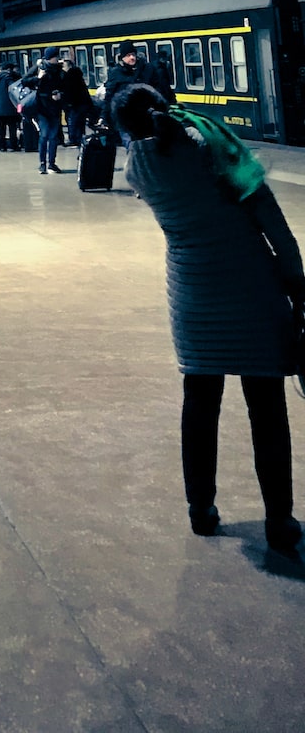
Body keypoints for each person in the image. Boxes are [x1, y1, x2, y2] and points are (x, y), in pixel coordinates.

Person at [114, 82, 304, 553]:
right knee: (267, 407)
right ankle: (279, 521)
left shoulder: (138, 167)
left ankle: (202, 512)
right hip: (252, 288)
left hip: (192, 292)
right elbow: (273, 225)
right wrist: (298, 287)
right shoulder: (217, 149)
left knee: (199, 403)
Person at [21, 48, 68, 175]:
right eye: (55, 57)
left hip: (55, 107)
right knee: (45, 135)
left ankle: (51, 163)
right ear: (49, 57)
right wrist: (38, 78)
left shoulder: (59, 70)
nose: (58, 59)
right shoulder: (39, 67)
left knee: (53, 137)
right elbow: (24, 81)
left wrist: (60, 94)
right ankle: (43, 163)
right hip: (41, 108)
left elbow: (64, 86)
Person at [103, 42, 161, 143]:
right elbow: (109, 97)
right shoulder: (115, 73)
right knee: (132, 146)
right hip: (124, 119)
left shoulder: (146, 70)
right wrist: (104, 117)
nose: (132, 58)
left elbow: (157, 90)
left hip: (145, 117)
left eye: (133, 54)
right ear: (122, 57)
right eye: (128, 55)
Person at [0, 60, 21, 152]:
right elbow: (14, 89)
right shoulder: (8, 78)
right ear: (8, 69)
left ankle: (2, 146)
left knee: (1, 126)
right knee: (12, 127)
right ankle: (13, 145)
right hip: (9, 106)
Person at [61, 59, 93, 148]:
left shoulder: (69, 77)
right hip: (83, 103)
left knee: (73, 121)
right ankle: (80, 138)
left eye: (64, 66)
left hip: (74, 104)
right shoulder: (78, 75)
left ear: (69, 66)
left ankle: (74, 140)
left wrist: (68, 103)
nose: (62, 68)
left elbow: (69, 91)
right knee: (81, 122)